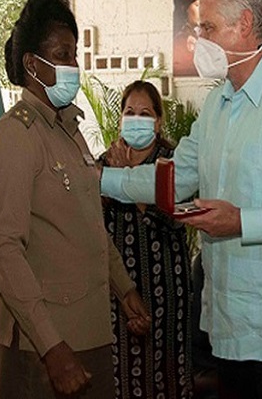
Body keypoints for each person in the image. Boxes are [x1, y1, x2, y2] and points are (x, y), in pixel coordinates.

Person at [101, 0, 262, 399]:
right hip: (230, 328)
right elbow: (175, 178)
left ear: (244, 25)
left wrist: (242, 222)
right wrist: (103, 180)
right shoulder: (217, 106)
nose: (200, 40)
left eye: (208, 27)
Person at [0, 0, 151, 399]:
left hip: (88, 328)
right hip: (43, 343)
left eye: (74, 55)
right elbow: (5, 249)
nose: (73, 65)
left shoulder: (70, 132)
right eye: (62, 56)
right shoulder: (15, 137)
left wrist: (123, 287)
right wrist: (51, 346)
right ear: (32, 65)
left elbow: (88, 224)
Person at [100, 80, 193, 399]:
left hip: (166, 290)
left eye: (145, 113)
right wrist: (112, 180)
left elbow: (172, 222)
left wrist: (128, 180)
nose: (136, 118)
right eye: (129, 112)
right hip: (119, 292)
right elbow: (94, 225)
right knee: (122, 377)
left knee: (167, 375)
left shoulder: (174, 162)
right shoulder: (104, 162)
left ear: (158, 121)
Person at [173, 0, 200, 76]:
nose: (202, 11)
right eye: (197, 5)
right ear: (184, 8)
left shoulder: (194, 34)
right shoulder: (182, 38)